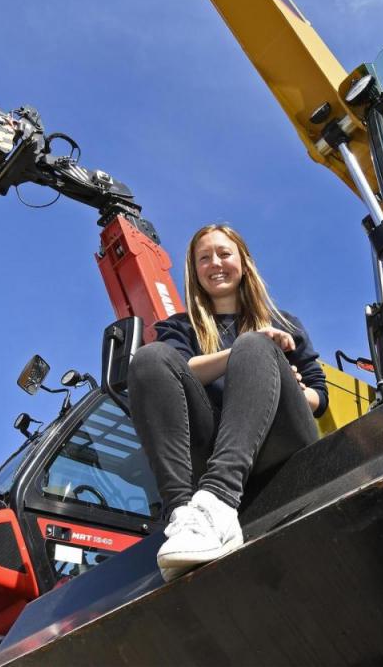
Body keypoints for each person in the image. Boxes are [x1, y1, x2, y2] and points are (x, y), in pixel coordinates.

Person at [127, 224, 328, 580]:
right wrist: (237, 353)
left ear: (244, 262)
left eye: (224, 253)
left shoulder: (284, 323)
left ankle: (218, 502)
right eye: (204, 258)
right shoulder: (180, 328)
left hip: (280, 441)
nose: (215, 263)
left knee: (253, 345)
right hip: (213, 448)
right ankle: (184, 515)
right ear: (194, 271)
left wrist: (286, 380)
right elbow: (178, 370)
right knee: (148, 358)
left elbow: (319, 394)